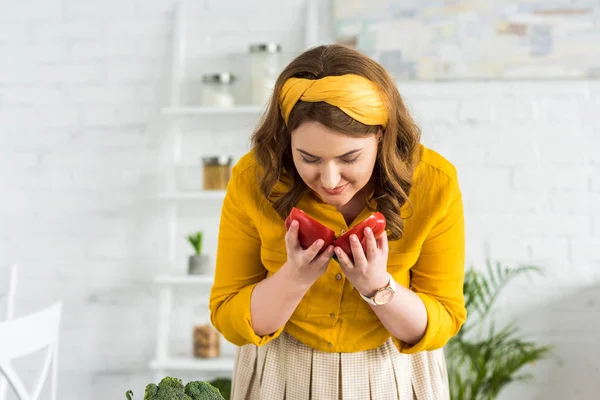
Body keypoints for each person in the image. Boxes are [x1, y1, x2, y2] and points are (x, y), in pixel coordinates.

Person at [209, 44, 466, 400]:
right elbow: (229, 317)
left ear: (381, 135)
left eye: (350, 157)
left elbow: (443, 320)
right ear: (287, 141)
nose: (330, 180)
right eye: (308, 158)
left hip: (393, 371)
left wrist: (377, 286)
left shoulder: (435, 182)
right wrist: (294, 277)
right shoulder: (253, 179)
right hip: (280, 370)